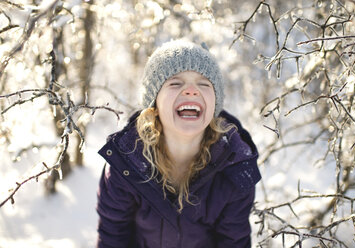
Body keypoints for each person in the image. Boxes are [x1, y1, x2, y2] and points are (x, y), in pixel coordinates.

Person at [96, 39, 261, 248]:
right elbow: (112, 239)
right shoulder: (126, 165)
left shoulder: (234, 165)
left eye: (204, 83)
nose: (191, 90)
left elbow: (233, 242)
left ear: (214, 105)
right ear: (154, 104)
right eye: (175, 83)